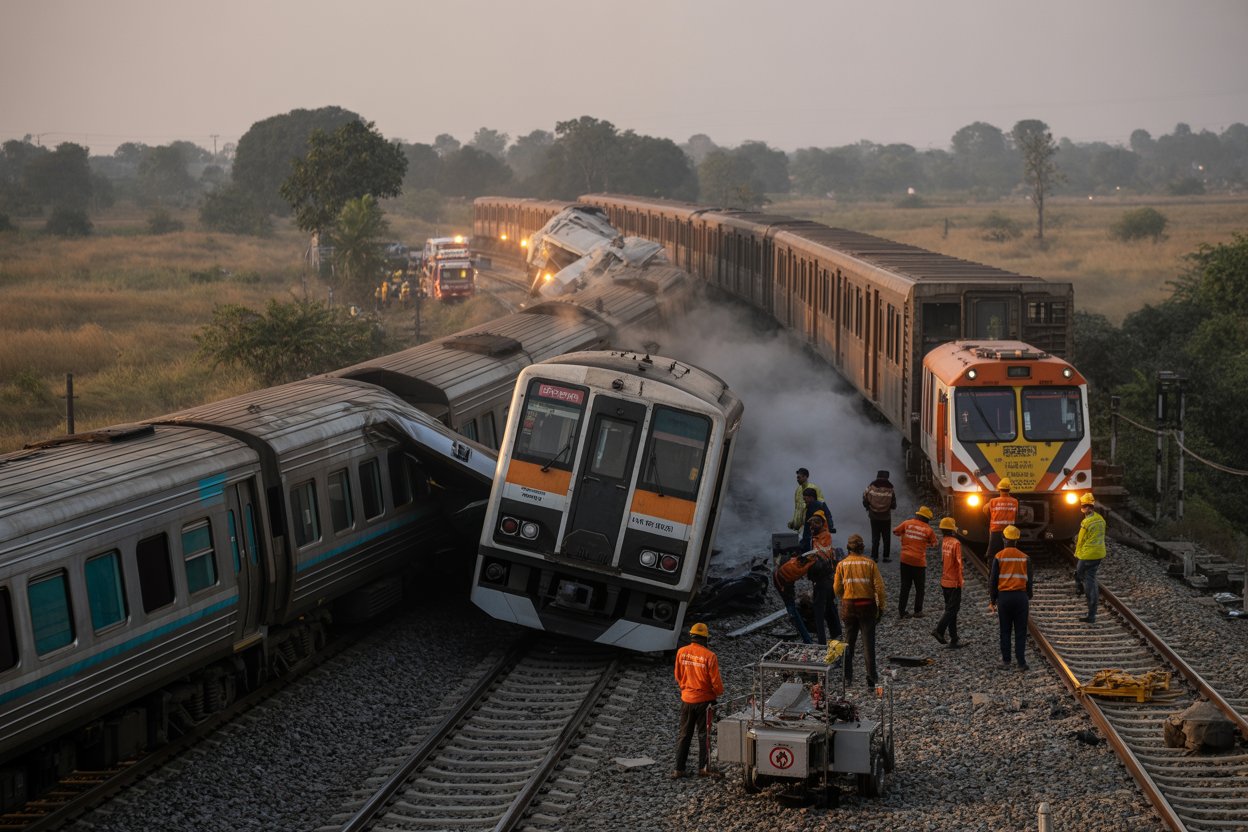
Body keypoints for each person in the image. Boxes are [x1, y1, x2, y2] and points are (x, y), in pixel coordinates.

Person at [672, 622, 725, 779]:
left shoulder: (682, 652)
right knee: (704, 735)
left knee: (684, 734)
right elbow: (716, 682)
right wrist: (718, 693)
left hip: (687, 700)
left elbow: (678, 675)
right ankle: (703, 768)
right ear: (705, 639)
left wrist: (686, 689)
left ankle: (678, 769)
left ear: (692, 636)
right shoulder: (710, 656)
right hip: (705, 702)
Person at [833, 534, 886, 689]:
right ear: (862, 548)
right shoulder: (870, 564)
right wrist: (881, 607)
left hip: (849, 607)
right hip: (867, 607)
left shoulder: (842, 565)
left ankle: (847, 678)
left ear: (848, 548)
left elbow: (836, 588)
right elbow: (880, 589)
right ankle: (871, 678)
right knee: (868, 644)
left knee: (849, 643)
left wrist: (845, 597)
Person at [989, 525, 1034, 671]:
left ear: (1004, 539)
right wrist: (1028, 595)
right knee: (1021, 631)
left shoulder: (998, 556)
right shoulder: (1024, 557)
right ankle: (1021, 663)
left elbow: (993, 580)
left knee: (1005, 630)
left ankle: (1006, 661)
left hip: (1004, 598)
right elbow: (1029, 580)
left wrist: (992, 600)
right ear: (1017, 540)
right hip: (1021, 597)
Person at [893, 506, 938, 619]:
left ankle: (901, 611)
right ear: (927, 519)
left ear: (918, 515)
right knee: (919, 588)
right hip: (919, 562)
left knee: (905, 586)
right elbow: (934, 543)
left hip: (905, 560)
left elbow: (895, 531)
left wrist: (904, 536)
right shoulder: (928, 530)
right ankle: (918, 611)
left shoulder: (907, 523)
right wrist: (925, 542)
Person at [806, 511, 843, 643]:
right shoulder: (817, 537)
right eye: (811, 524)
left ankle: (821, 641)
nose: (812, 526)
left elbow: (820, 557)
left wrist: (808, 560)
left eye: (815, 523)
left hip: (823, 579)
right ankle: (836, 633)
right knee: (829, 606)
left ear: (821, 523)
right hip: (826, 578)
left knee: (819, 610)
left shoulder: (823, 536)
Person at [932, 517, 964, 648]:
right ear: (952, 530)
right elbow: (959, 564)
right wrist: (960, 582)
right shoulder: (956, 543)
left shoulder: (944, 541)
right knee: (952, 610)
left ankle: (954, 639)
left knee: (951, 610)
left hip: (944, 581)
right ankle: (939, 630)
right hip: (953, 582)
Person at [1074, 493, 1107, 623]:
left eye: (1083, 507)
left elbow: (1080, 540)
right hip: (1099, 554)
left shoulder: (1086, 522)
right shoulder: (1101, 519)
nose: (1082, 509)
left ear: (1088, 507)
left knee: (1079, 575)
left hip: (1087, 555)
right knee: (1091, 579)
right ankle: (1092, 615)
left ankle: (1079, 589)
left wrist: (1076, 553)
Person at [773, 550, 815, 643]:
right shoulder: (797, 569)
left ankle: (793, 615)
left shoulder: (794, 560)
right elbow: (804, 570)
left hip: (781, 581)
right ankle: (807, 639)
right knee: (793, 611)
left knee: (791, 607)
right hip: (782, 585)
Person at [862, 469, 897, 562]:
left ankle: (874, 556)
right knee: (886, 537)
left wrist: (868, 507)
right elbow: (893, 505)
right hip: (886, 517)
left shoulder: (871, 487)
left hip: (873, 516)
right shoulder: (890, 489)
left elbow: (865, 498)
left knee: (875, 537)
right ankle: (886, 557)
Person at [983, 478, 1018, 559]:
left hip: (995, 530)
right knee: (1008, 552)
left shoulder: (993, 501)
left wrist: (991, 519)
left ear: (999, 490)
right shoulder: (1014, 501)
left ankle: (992, 568)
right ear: (1009, 490)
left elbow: (985, 510)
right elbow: (1016, 515)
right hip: (1009, 531)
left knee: (993, 553)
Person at [798, 487, 833, 552]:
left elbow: (809, 528)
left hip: (817, 540)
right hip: (825, 538)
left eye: (805, 498)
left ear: (811, 497)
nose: (804, 501)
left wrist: (803, 544)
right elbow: (830, 523)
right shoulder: (822, 504)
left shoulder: (813, 505)